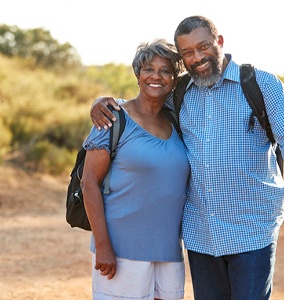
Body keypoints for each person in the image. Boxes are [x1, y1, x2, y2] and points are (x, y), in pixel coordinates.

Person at [89, 16, 284, 300]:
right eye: (187, 53)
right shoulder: (179, 92)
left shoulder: (262, 85)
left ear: (219, 42)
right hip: (200, 235)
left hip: (252, 230)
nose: (197, 58)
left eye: (203, 47)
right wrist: (104, 102)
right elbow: (145, 102)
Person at [81, 39, 190, 300]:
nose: (156, 76)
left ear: (174, 80)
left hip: (169, 252)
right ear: (138, 75)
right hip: (122, 250)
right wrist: (104, 247)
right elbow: (89, 184)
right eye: (148, 69)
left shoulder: (178, 120)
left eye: (166, 70)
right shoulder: (113, 117)